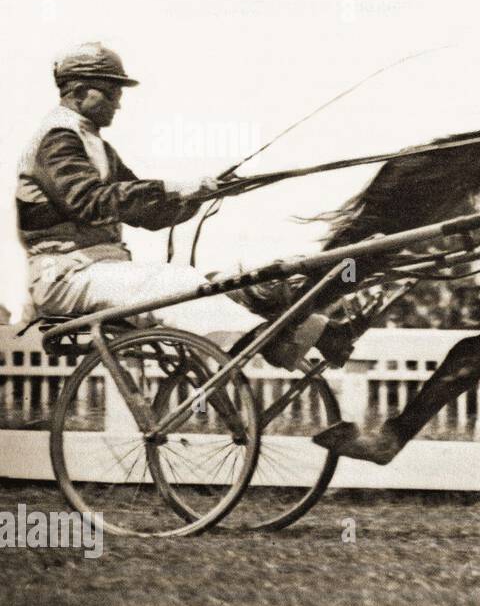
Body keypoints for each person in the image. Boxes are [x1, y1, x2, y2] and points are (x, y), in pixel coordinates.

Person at [15, 42, 349, 368]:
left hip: (95, 272)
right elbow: (90, 202)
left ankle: (293, 335)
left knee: (215, 285)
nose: (118, 103)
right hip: (64, 277)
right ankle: (272, 344)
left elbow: (146, 212)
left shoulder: (95, 144)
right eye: (111, 91)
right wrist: (176, 188)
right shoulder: (57, 140)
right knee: (173, 282)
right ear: (78, 91)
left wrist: (200, 196)